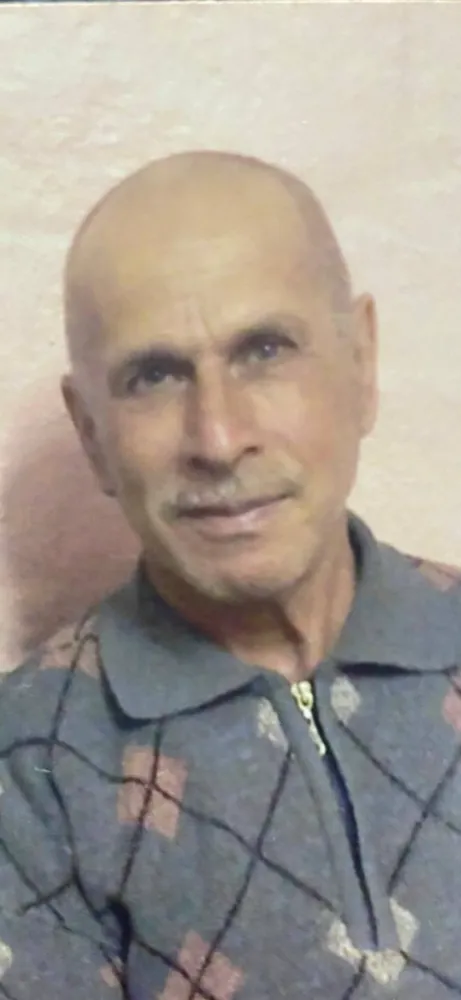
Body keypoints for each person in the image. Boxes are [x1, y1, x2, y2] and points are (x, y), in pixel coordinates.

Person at [0, 150, 460, 1000]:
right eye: (153, 376)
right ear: (91, 431)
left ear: (360, 362)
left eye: (263, 350)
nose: (216, 437)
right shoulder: (26, 770)